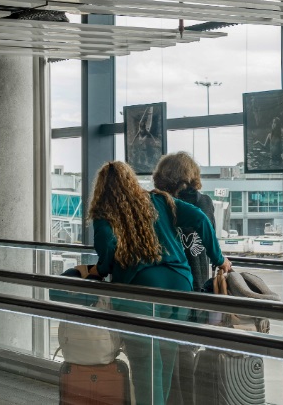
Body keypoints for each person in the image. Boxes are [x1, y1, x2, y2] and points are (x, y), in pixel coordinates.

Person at [89, 161, 230, 405]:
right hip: (179, 288)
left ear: (101, 189)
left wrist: (99, 270)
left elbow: (109, 251)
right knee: (165, 359)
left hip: (140, 294)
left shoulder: (105, 215)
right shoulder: (159, 201)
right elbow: (200, 219)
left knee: (146, 365)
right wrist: (219, 259)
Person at [152, 151, 216, 292]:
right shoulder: (205, 202)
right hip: (200, 280)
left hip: (168, 280)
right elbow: (211, 237)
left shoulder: (159, 203)